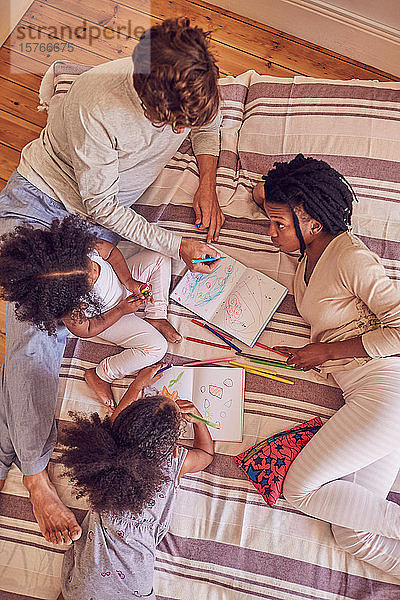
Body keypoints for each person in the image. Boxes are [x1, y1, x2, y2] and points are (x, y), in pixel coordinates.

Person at [0, 17, 224, 545]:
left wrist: (209, 184)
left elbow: (208, 123)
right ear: (142, 94)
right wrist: (173, 246)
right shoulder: (95, 103)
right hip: (44, 208)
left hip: (100, 225)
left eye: (184, 125)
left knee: (42, 337)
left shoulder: (193, 83)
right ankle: (34, 477)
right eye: (168, 123)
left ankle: (10, 446)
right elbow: (98, 204)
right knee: (36, 335)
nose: (177, 133)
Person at [252, 153, 400, 577]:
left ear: (312, 222)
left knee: (298, 489)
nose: (271, 232)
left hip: (385, 391)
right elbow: (263, 193)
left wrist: (327, 353)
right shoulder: (308, 257)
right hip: (366, 396)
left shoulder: (349, 256)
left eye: (279, 224)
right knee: (352, 534)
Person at [56, 363, 214, 599]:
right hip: (130, 583)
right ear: (170, 446)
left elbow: (119, 417)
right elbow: (206, 455)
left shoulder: (106, 452)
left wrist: (139, 383)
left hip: (89, 579)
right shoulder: (172, 463)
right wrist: (199, 422)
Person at [0, 215, 182, 409]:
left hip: (122, 283)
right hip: (108, 316)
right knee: (157, 347)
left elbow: (112, 253)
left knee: (160, 257)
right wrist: (121, 310)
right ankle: (101, 375)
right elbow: (87, 329)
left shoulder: (88, 248)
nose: (95, 273)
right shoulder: (70, 309)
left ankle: (156, 316)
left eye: (93, 267)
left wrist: (129, 281)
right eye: (91, 281)